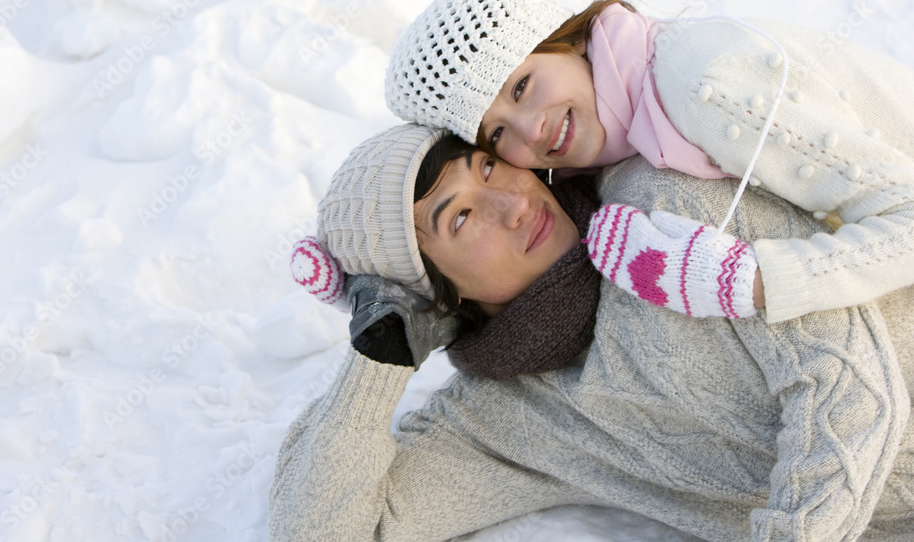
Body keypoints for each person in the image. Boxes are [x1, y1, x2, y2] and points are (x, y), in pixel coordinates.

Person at [269, 123, 914, 541]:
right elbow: (321, 532)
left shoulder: (666, 203)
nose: (514, 202)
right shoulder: (509, 420)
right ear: (434, 293)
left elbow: (852, 392)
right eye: (462, 218)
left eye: (488, 168)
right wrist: (378, 351)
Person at [383, 0, 914, 324]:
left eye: (521, 86)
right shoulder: (616, 131)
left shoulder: (702, 88)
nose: (531, 131)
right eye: (496, 136)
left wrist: (751, 283)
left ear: (563, 40)